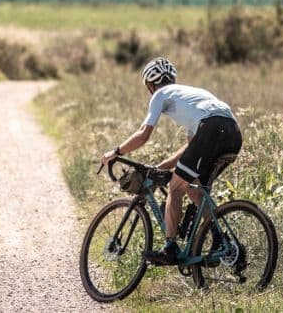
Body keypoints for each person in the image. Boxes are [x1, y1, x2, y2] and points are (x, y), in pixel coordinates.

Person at [100, 57, 242, 266]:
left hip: (211, 129)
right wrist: (162, 166)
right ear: (172, 78)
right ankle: (220, 241)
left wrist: (115, 151)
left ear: (150, 85)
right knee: (194, 189)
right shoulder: (193, 96)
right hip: (233, 133)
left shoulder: (160, 94)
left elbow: (143, 135)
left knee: (175, 187)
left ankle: (170, 248)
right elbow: (191, 147)